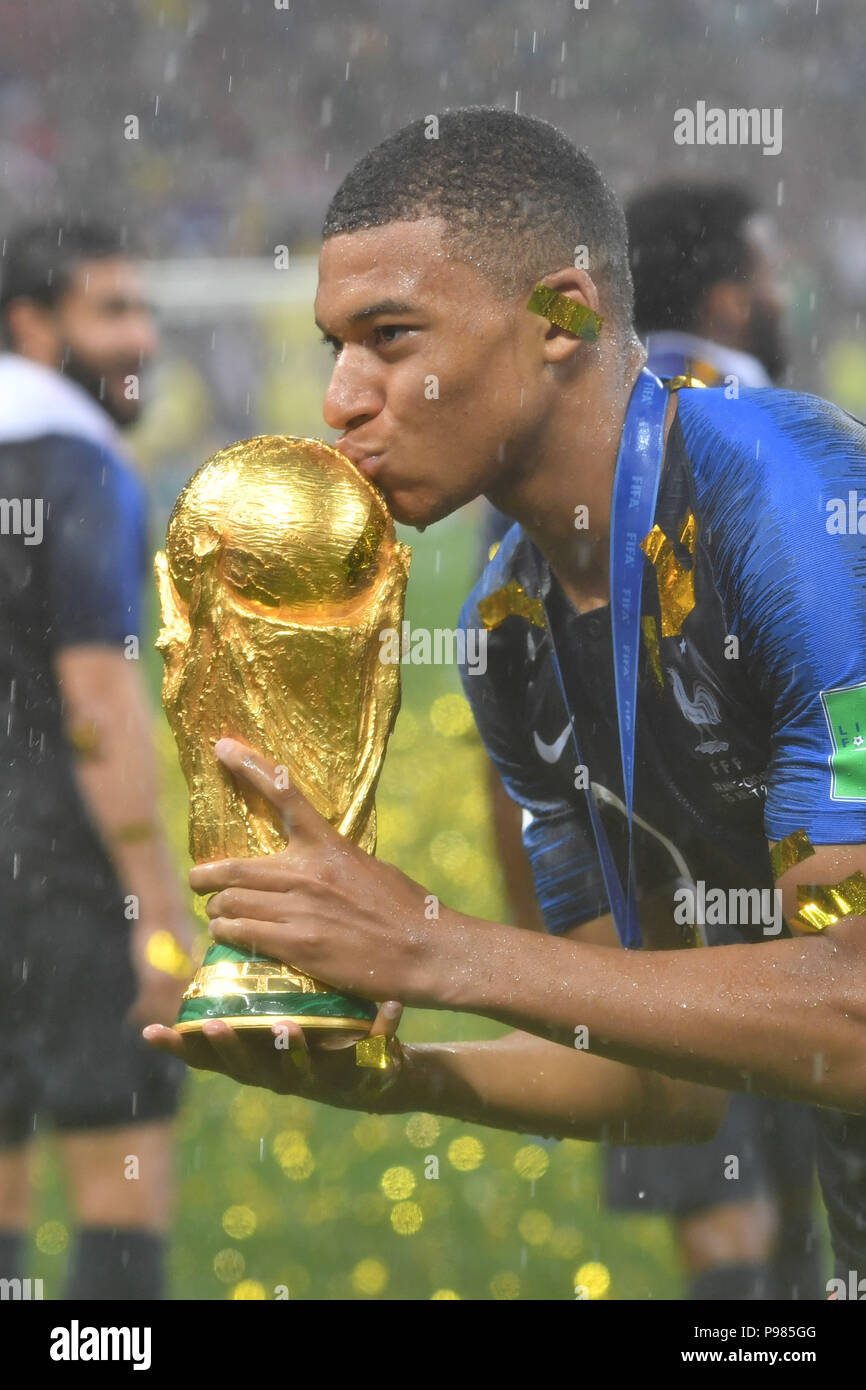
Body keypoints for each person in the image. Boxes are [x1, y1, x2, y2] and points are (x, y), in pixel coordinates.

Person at [145, 109, 866, 1296]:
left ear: (560, 316)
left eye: (389, 338)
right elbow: (655, 1082)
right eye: (334, 345)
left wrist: (431, 945)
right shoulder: (507, 630)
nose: (339, 400)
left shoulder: (794, 505)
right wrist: (394, 1068)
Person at [0, 221, 192, 1299]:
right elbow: (96, 699)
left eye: (142, 309)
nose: (140, 337)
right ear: (33, 325)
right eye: (110, 311)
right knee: (120, 1185)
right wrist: (156, 908)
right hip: (61, 880)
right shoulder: (76, 463)